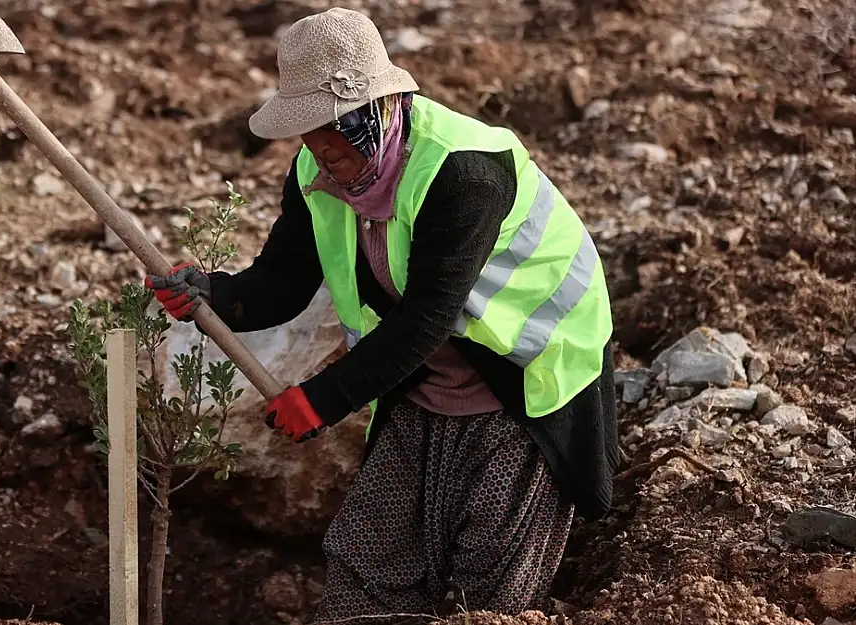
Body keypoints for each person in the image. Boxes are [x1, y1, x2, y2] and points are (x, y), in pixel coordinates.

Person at [145, 7, 620, 622]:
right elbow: (286, 279)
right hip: (419, 380)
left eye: (330, 126)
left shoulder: (464, 172)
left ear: (374, 111)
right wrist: (216, 295)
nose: (316, 145)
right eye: (306, 129)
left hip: (525, 381)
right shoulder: (319, 169)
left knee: (486, 587)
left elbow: (425, 317)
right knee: (366, 561)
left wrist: (322, 399)